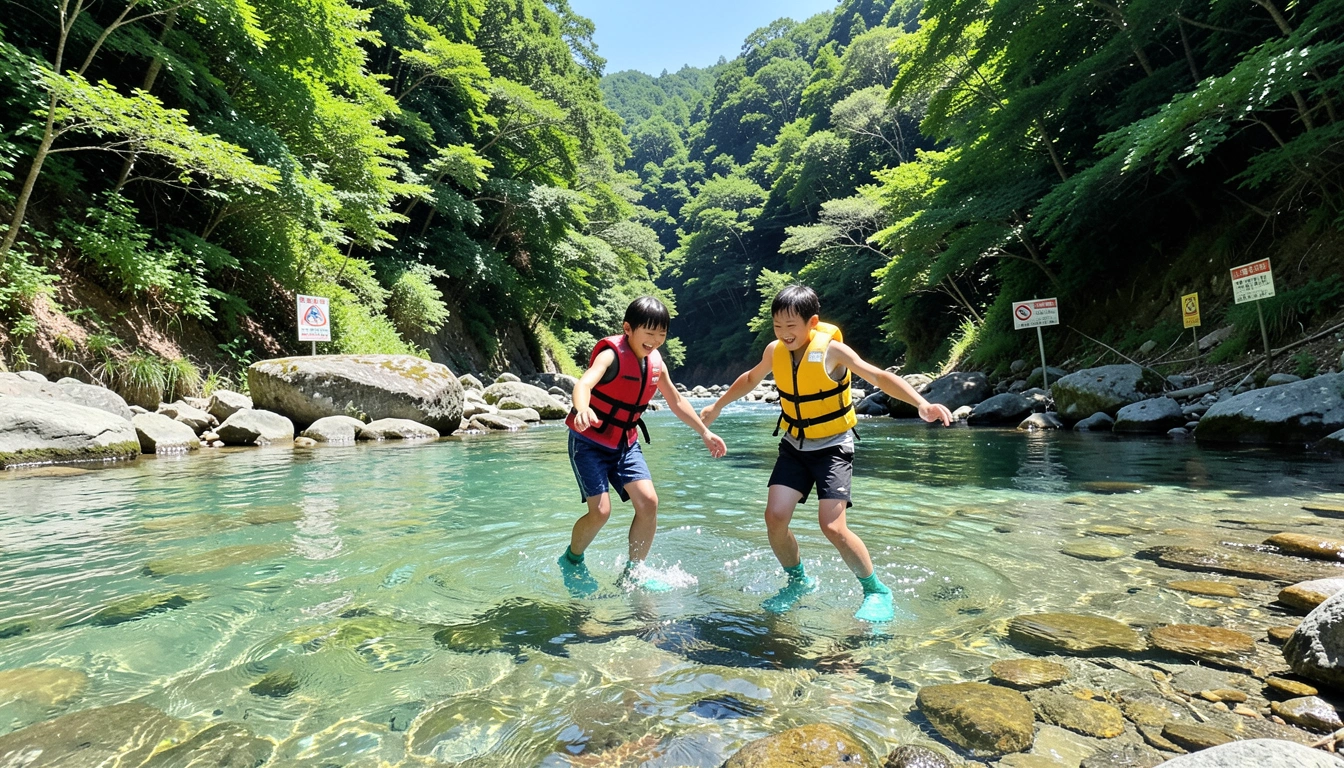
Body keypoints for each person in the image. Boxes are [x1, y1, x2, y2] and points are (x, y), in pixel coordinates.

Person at [699, 285, 952, 622]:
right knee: (775, 517)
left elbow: (877, 375)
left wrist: (921, 403)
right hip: (794, 445)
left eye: (791, 326)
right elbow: (749, 379)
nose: (784, 334)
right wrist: (715, 406)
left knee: (831, 525)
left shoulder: (832, 351)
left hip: (833, 447)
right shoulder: (774, 351)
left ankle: (876, 590)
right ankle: (798, 581)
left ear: (812, 322)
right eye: (778, 326)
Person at [560, 296, 727, 596]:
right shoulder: (610, 355)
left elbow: (675, 401)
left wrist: (704, 431)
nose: (655, 340)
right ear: (628, 328)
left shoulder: (656, 365)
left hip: (625, 443)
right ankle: (572, 560)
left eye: (661, 334)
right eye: (648, 333)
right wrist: (583, 408)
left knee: (649, 503)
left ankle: (633, 572)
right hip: (589, 441)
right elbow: (584, 384)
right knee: (600, 512)